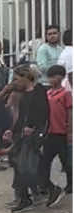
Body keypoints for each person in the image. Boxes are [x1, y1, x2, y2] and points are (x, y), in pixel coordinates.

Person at [8, 65, 50, 213]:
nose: (15, 82)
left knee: (25, 166)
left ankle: (31, 196)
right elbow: (21, 116)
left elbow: (43, 113)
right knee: (21, 164)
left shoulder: (39, 91)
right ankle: (27, 196)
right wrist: (12, 130)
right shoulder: (25, 94)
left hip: (35, 134)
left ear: (26, 78)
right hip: (25, 134)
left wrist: (33, 127)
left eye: (17, 79)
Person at [42, 65, 72, 199]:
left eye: (54, 76)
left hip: (61, 132)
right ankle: (45, 185)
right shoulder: (47, 93)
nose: (51, 79)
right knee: (45, 161)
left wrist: (70, 130)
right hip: (49, 132)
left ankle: (70, 183)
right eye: (50, 76)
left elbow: (70, 112)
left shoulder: (65, 93)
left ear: (61, 77)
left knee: (65, 160)